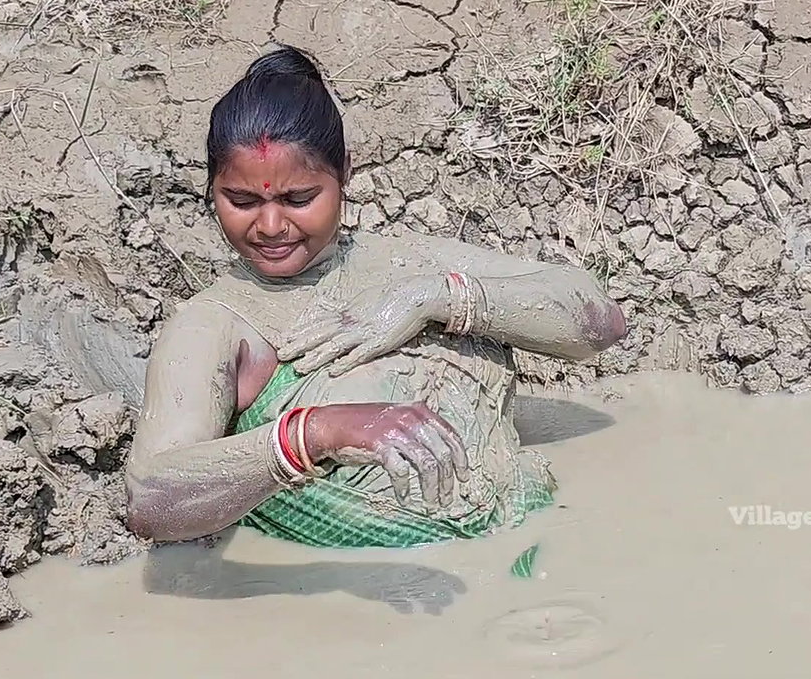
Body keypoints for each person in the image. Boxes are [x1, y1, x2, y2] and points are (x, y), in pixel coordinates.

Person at [123, 45, 627, 548]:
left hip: (545, 551)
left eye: (299, 199)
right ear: (211, 188)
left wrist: (437, 299)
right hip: (384, 606)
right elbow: (151, 500)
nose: (271, 226)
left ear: (345, 173)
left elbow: (602, 323)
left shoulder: (411, 262)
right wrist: (315, 434)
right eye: (242, 201)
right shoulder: (217, 322)